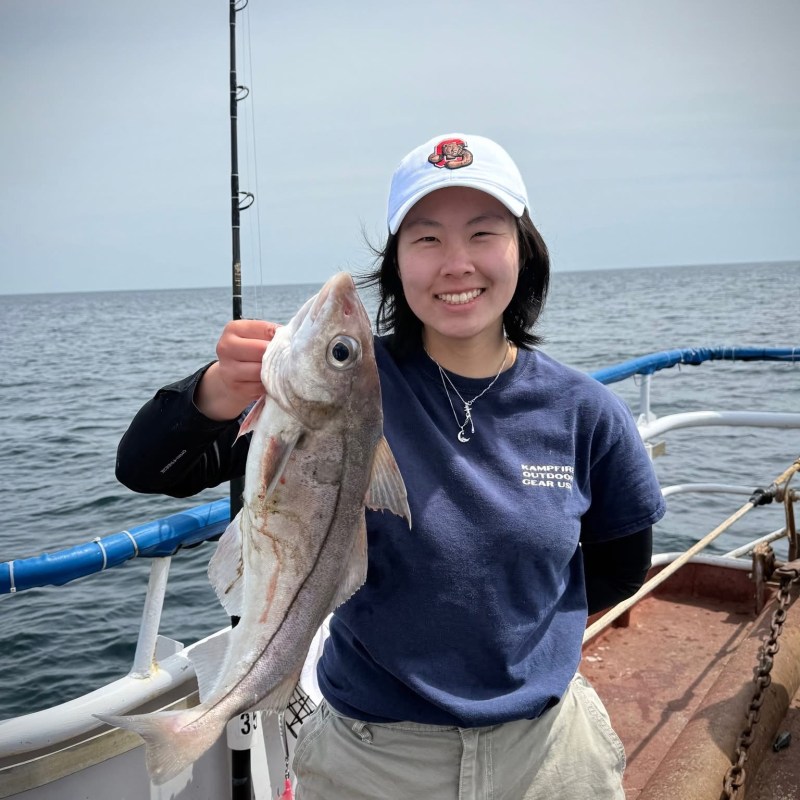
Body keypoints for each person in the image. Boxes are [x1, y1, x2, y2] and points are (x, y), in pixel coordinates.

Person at [116, 132, 666, 799]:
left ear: (524, 248)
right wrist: (214, 394)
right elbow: (148, 468)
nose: (457, 263)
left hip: (548, 753)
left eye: (484, 234)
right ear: (398, 262)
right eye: (427, 239)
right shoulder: (346, 380)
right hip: (371, 762)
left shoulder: (585, 411)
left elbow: (618, 567)